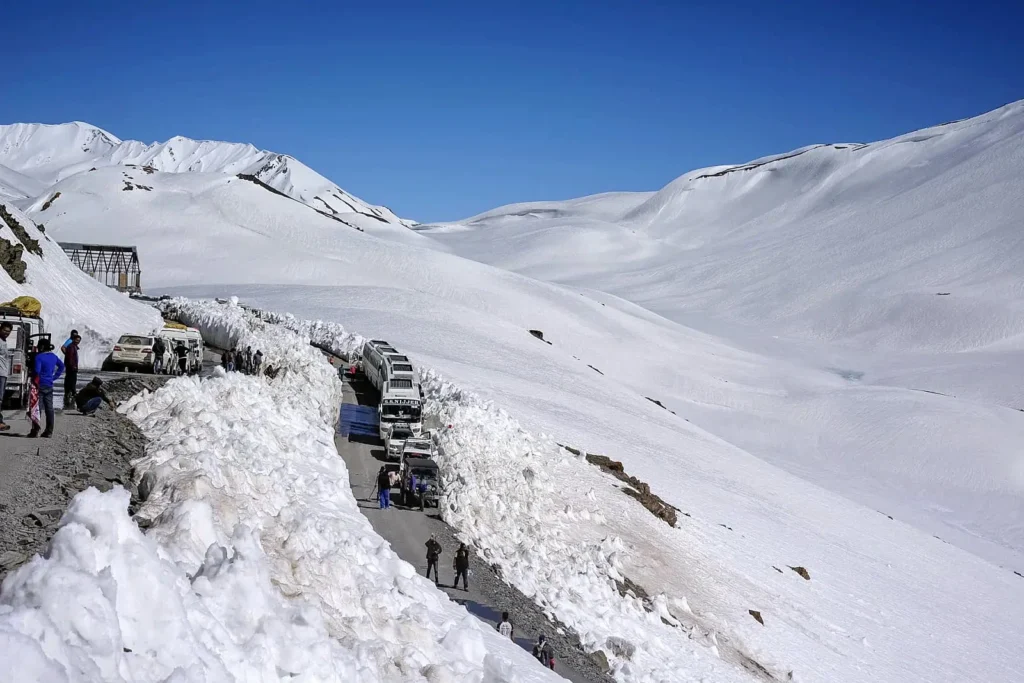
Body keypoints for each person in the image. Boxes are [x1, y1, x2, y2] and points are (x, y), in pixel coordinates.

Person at [34, 340, 64, 438]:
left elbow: (37, 371)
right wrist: (54, 377)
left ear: (42, 347)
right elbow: (62, 366)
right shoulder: (53, 357)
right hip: (49, 385)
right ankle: (49, 431)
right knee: (49, 409)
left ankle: (35, 430)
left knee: (37, 409)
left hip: (39, 385)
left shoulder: (39, 357)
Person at [63, 334, 81, 409]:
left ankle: (70, 393)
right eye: (77, 340)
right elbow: (70, 358)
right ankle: (72, 394)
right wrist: (72, 366)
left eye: (79, 341)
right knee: (72, 380)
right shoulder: (71, 347)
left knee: (70, 380)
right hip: (71, 368)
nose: (78, 342)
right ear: (73, 340)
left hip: (72, 367)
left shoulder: (73, 347)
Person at [0, 322, 12, 431]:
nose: (6, 333)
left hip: (3, 373)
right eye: (4, 330)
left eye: (8, 331)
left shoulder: (4, 341)